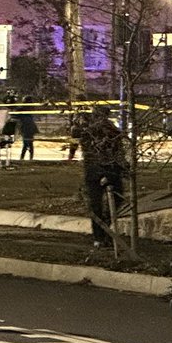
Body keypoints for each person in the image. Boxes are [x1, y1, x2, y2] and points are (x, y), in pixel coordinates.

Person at [73, 105, 126, 248]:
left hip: (96, 170)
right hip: (105, 169)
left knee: (100, 204)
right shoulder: (102, 130)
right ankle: (102, 234)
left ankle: (101, 235)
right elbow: (117, 149)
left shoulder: (91, 130)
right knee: (108, 202)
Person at [14, 96, 39, 161]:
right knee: (29, 142)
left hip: (26, 126)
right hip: (29, 126)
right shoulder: (30, 108)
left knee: (26, 142)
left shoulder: (24, 108)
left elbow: (16, 113)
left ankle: (24, 157)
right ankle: (28, 157)